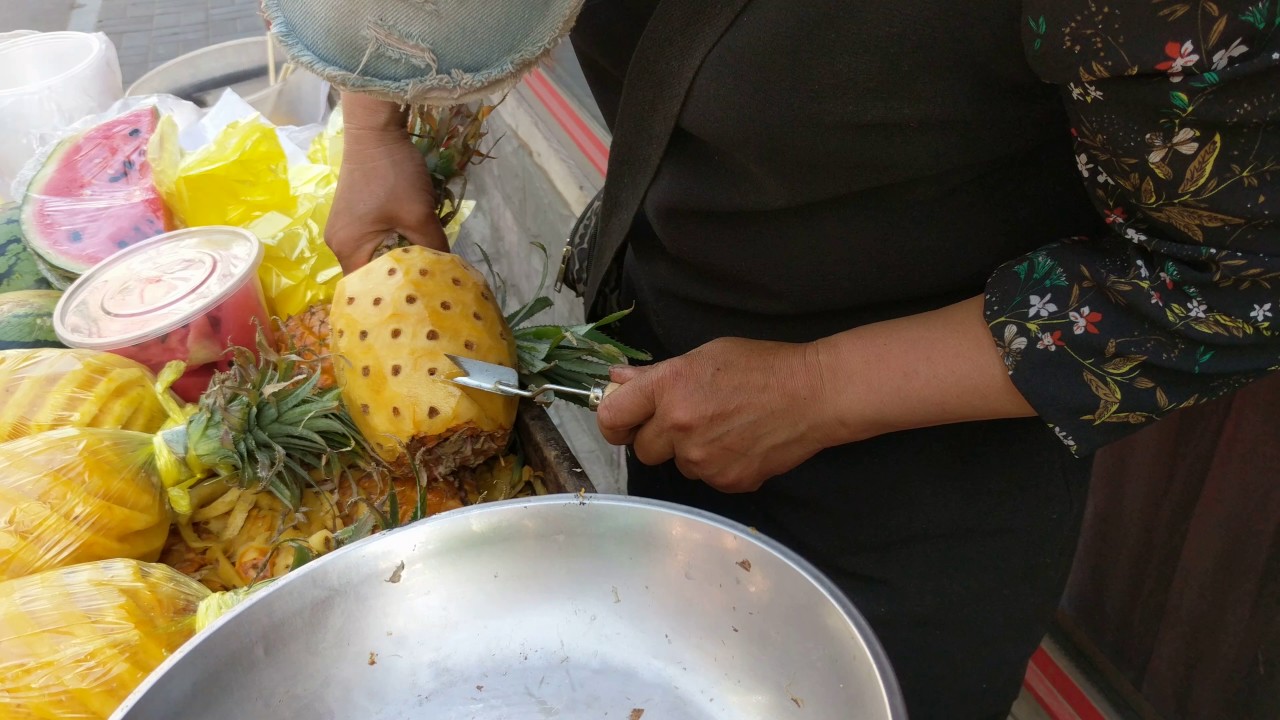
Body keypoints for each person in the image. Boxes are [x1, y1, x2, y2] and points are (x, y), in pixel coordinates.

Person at [260, 0, 1280, 716]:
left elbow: (1235, 283)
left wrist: (820, 389)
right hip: (683, 355)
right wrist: (377, 117)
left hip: (928, 463)